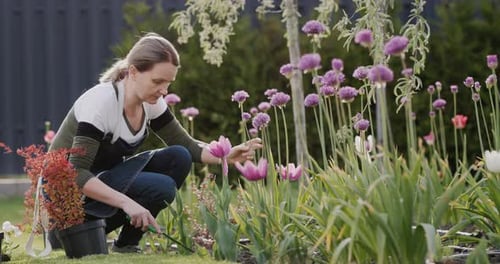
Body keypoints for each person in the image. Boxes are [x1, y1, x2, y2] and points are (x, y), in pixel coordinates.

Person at [48, 32, 261, 253]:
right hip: (66, 204)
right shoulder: (101, 103)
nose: (164, 91)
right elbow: (76, 173)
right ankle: (83, 233)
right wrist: (127, 203)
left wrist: (225, 155)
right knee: (161, 187)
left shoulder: (150, 101)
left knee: (178, 156)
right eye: (158, 81)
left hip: (100, 185)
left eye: (168, 83)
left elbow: (186, 145)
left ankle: (126, 243)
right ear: (133, 72)